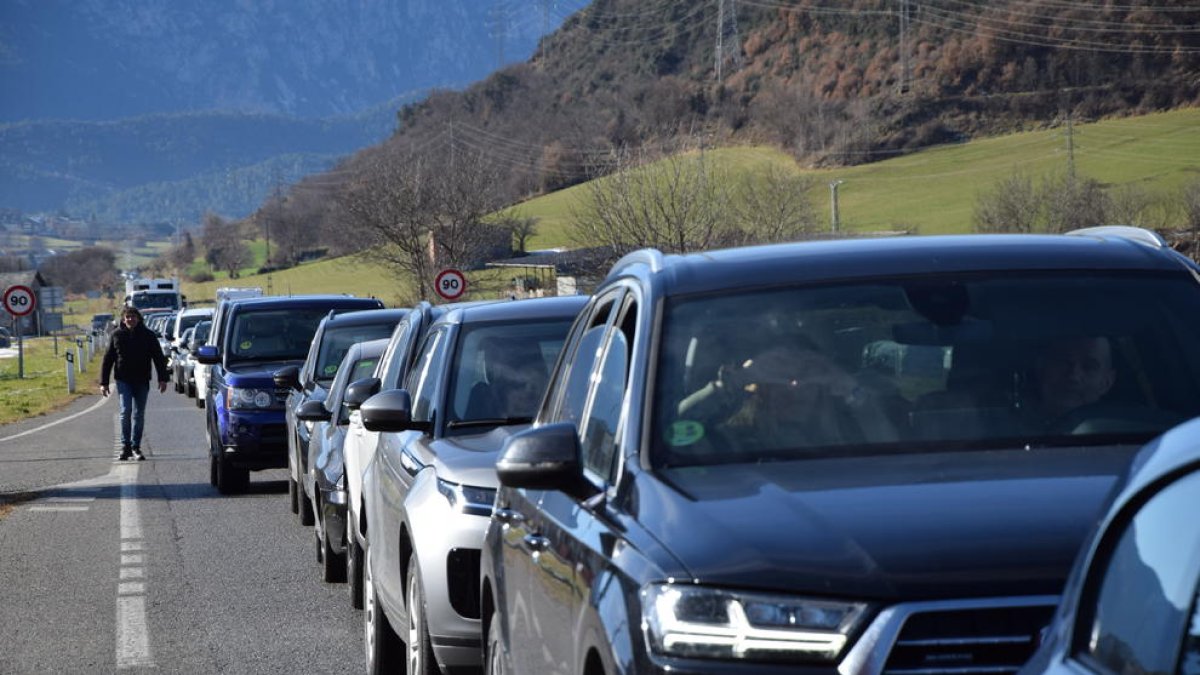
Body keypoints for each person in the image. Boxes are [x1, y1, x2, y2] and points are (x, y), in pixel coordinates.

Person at [678, 342, 897, 451]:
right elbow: (675, 429)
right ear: (759, 385)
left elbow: (893, 454)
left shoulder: (852, 431)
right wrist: (737, 380)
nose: (793, 385)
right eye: (779, 375)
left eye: (806, 373)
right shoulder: (734, 439)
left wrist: (849, 387)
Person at [100, 307, 170, 460]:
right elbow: (108, 359)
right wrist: (104, 382)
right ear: (123, 319)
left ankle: (136, 447)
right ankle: (125, 447)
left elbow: (158, 358)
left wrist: (163, 378)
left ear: (138, 318)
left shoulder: (148, 335)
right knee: (126, 412)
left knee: (139, 414)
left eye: (133, 316)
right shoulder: (116, 335)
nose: (130, 319)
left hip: (142, 380)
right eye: (127, 317)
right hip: (123, 380)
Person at [1025, 335, 1116, 430]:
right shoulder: (1010, 428)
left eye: (1089, 367)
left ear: (1107, 382)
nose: (1073, 377)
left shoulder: (1122, 435)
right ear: (1040, 368)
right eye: (1062, 362)